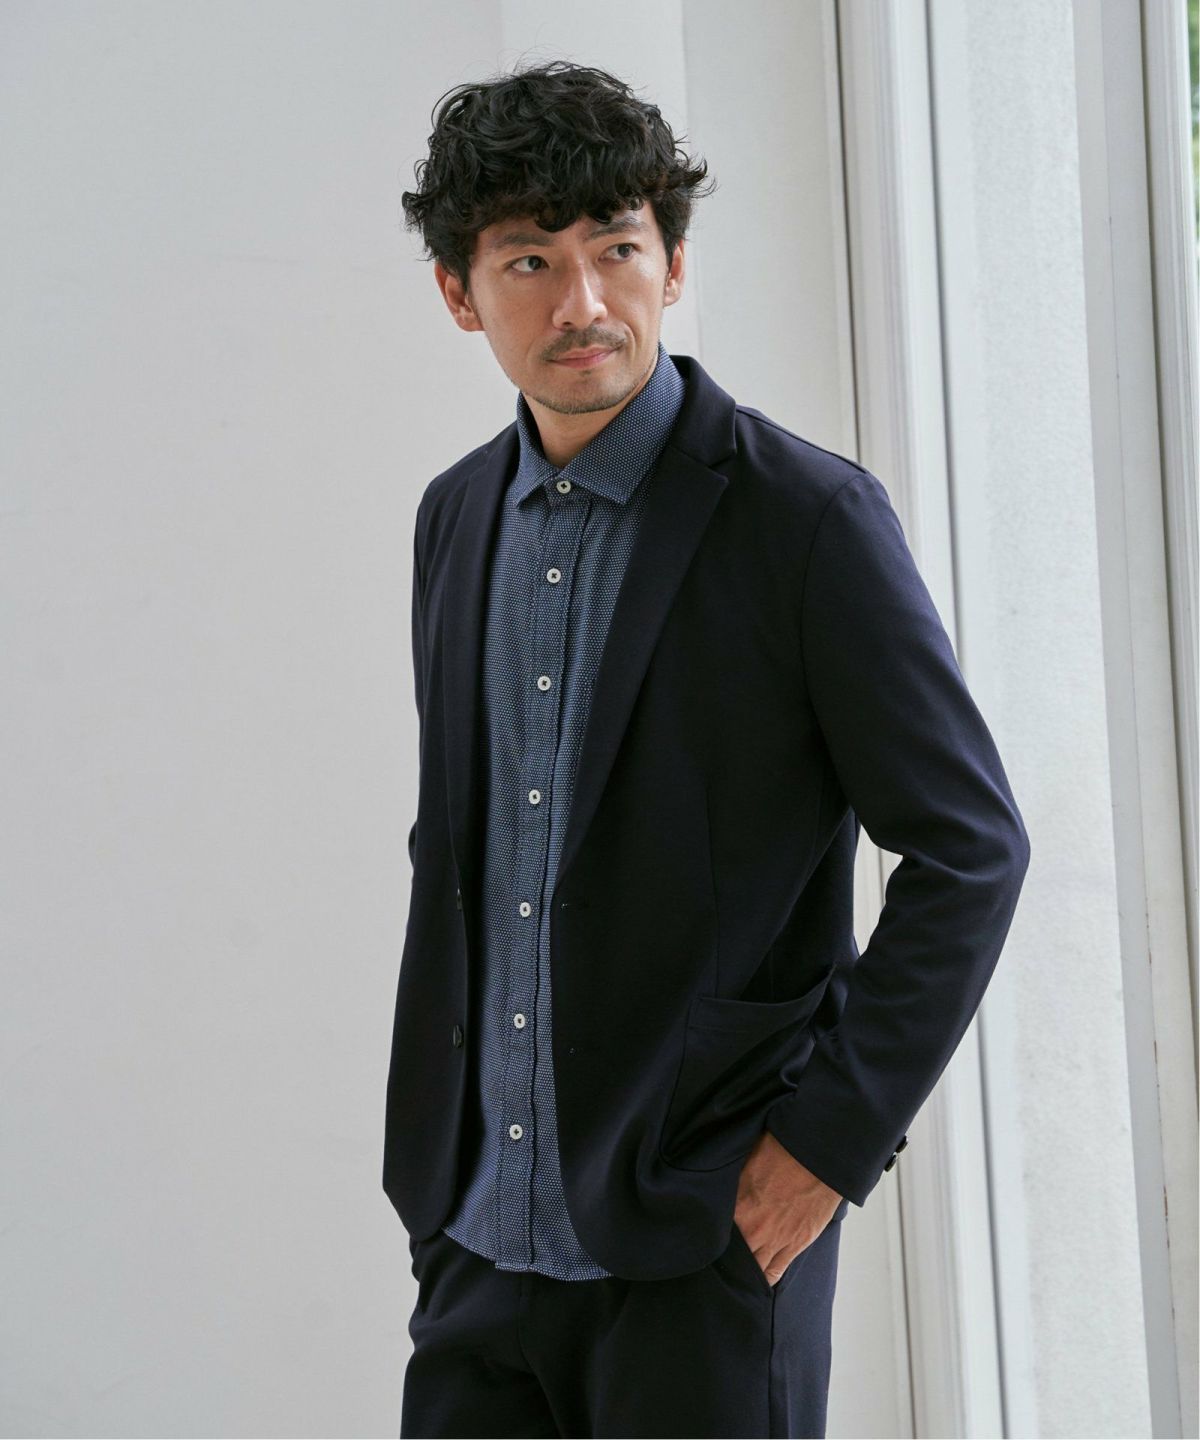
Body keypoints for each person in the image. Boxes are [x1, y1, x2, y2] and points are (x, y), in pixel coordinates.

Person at [383, 59, 1030, 1439]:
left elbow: (971, 850)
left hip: (703, 1241)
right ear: (460, 292)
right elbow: (466, 851)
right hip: (479, 1240)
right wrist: (434, 1180)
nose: (582, 302)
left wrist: (825, 1149)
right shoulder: (455, 519)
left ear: (672, 264)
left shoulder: (806, 521)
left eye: (617, 248)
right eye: (529, 261)